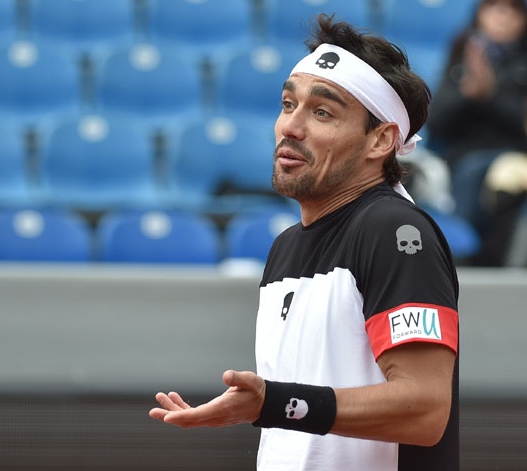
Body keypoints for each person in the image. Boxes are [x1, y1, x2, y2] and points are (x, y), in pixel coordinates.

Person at [149, 14, 459, 471]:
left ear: (380, 140)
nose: (290, 127)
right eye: (288, 104)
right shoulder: (285, 247)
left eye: (322, 112)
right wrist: (270, 405)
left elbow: (425, 410)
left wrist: (274, 403)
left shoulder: (395, 232)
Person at [426, 0, 527, 265]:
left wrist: (490, 95)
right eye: (494, 8)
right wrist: (466, 95)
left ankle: (462, 258)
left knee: (482, 171)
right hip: (460, 154)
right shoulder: (464, 53)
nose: (502, 17)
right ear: (479, 14)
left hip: (512, 152)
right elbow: (436, 123)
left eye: (512, 10)